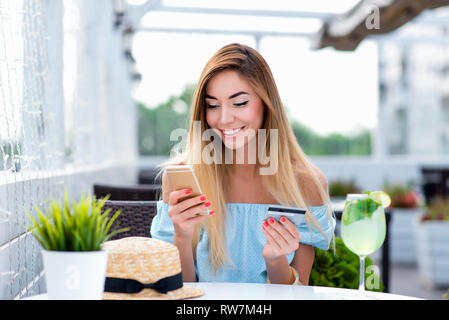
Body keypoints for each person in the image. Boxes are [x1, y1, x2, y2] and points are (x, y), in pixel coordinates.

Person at [151, 43, 335, 285]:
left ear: (266, 104)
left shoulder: (303, 182)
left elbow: (296, 294)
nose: (225, 119)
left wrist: (275, 260)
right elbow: (178, 291)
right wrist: (182, 237)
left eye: (239, 103)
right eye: (213, 105)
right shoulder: (185, 178)